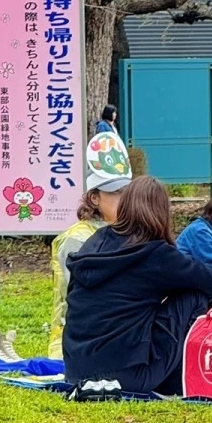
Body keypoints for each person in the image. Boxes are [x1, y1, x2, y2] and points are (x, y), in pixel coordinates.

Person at [63, 176, 212, 395]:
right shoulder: (157, 253)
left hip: (77, 371)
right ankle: (178, 380)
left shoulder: (95, 241)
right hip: (128, 377)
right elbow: (211, 282)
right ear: (163, 212)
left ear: (124, 205)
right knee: (192, 296)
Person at [48, 132, 133, 358]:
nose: (125, 201)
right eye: (116, 193)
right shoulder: (76, 239)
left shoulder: (131, 232)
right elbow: (76, 297)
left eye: (128, 193)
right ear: (94, 198)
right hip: (79, 341)